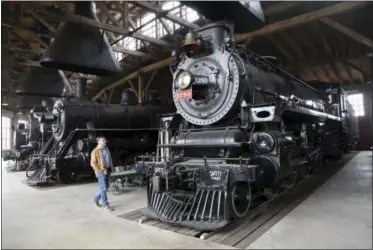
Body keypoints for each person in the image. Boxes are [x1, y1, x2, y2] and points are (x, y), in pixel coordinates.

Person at [90, 136, 114, 211]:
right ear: (98, 142)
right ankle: (106, 205)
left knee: (106, 187)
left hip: (108, 170)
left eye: (105, 140)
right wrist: (99, 170)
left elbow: (109, 159)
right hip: (101, 172)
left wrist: (111, 167)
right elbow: (93, 163)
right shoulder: (95, 151)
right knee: (103, 188)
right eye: (103, 140)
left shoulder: (106, 149)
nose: (105, 141)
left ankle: (95, 198)